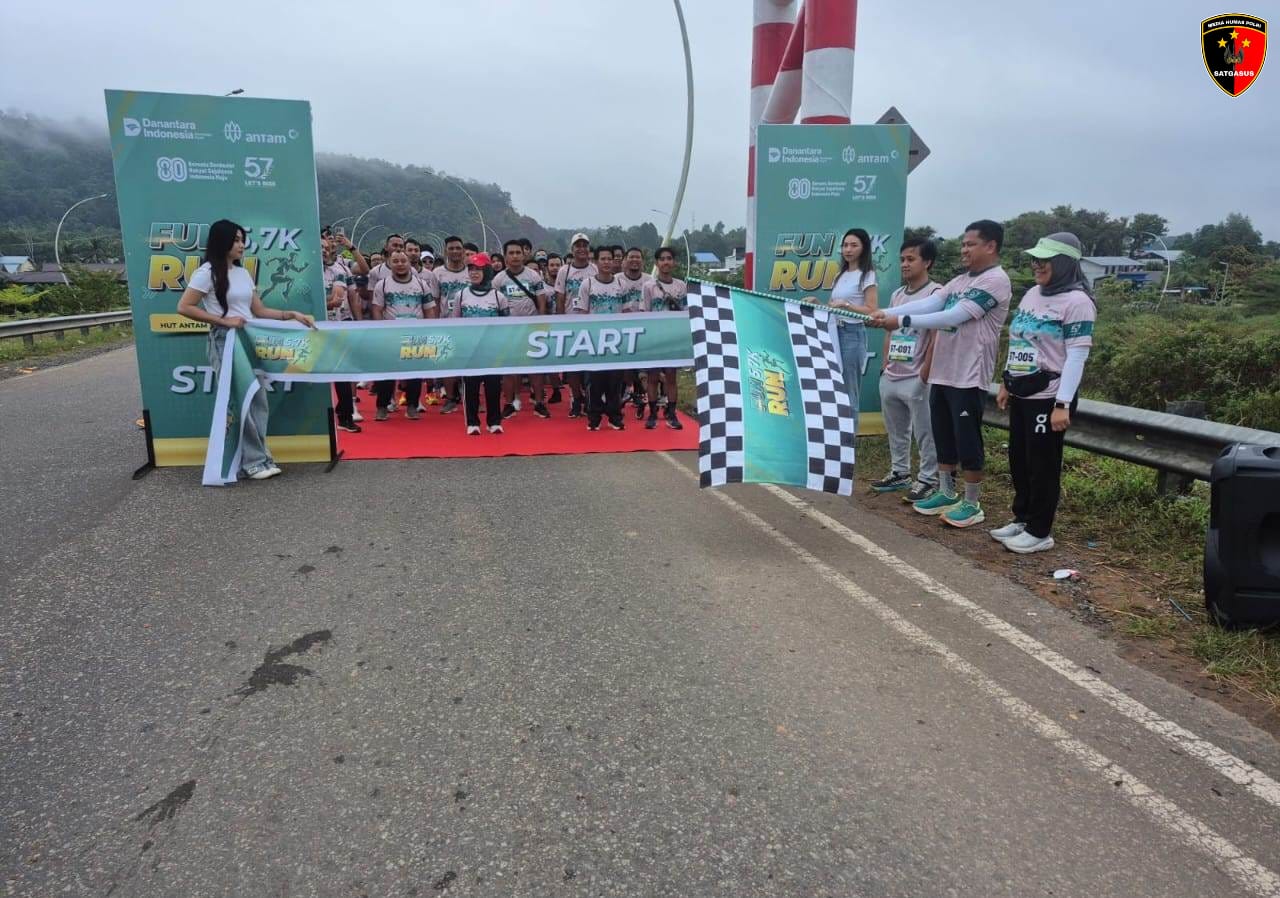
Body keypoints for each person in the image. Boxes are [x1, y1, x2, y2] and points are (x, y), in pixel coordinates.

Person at [871, 219, 1012, 528]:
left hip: (969, 375)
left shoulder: (996, 281)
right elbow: (930, 304)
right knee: (944, 438)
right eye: (963, 244)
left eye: (970, 244)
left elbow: (953, 316)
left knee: (968, 442)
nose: (964, 249)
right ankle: (946, 492)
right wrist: (883, 314)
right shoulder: (959, 281)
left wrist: (901, 321)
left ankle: (972, 503)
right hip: (943, 373)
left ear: (991, 246)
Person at [176, 219, 315, 480]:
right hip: (224, 340)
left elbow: (259, 310)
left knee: (258, 399)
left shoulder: (242, 273)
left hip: (249, 340)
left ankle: (259, 458)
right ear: (222, 242)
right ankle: (253, 462)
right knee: (241, 401)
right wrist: (224, 321)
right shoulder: (207, 272)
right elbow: (184, 307)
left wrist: (292, 315)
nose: (242, 245)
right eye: (236, 240)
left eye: (242, 240)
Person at [991, 232, 1095, 554]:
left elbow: (1077, 356)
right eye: (1035, 259)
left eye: (1044, 260)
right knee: (1019, 459)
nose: (1036, 265)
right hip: (1023, 392)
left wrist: (1062, 403)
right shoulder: (1032, 294)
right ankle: (1022, 518)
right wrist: (1007, 381)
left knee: (1042, 465)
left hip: (1050, 396)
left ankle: (1040, 530)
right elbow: (1018, 341)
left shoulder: (1078, 302)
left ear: (1063, 263)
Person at [874, 237, 941, 501]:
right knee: (896, 429)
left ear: (928, 262)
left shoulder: (936, 294)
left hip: (917, 376)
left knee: (925, 432)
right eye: (902, 259)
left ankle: (928, 479)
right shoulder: (898, 295)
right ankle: (900, 472)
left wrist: (925, 372)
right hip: (892, 373)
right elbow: (889, 331)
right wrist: (884, 366)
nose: (904, 264)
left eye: (911, 259)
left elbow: (937, 335)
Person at [370, 249, 439, 421]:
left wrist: (429, 332)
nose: (400, 264)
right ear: (389, 263)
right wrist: (380, 331)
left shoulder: (421, 284)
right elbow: (377, 309)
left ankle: (412, 405)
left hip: (415, 336)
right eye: (396, 261)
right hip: (390, 336)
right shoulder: (382, 285)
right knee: (387, 373)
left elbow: (429, 309)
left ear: (410, 263)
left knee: (414, 373)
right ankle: (382, 406)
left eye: (403, 261)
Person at [822, 228, 879, 436]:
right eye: (845, 245)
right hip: (833, 332)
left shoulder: (867, 275)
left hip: (852, 334)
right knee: (833, 387)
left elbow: (872, 311)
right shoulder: (840, 275)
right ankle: (834, 438)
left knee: (849, 391)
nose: (848, 249)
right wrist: (817, 303)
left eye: (854, 245)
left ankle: (848, 443)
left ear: (864, 248)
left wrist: (847, 306)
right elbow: (832, 306)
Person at [492, 239, 551, 419]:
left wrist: (540, 324)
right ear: (505, 256)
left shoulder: (533, 276)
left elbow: (541, 301)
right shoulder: (498, 279)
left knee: (535, 369)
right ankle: (509, 404)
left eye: (518, 252)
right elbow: (494, 304)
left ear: (524, 255)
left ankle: (539, 403)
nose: (515, 256)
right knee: (509, 370)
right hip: (508, 330)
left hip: (531, 329)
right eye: (511, 253)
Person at [571, 245, 627, 431]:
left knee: (615, 381)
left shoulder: (621, 284)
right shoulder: (587, 284)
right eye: (603, 259)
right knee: (594, 381)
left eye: (609, 259)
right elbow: (582, 312)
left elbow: (627, 311)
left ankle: (614, 417)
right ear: (596, 261)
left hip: (616, 341)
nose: (606, 262)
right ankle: (594, 417)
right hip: (594, 341)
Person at [453, 252, 509, 434]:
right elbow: (456, 322)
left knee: (493, 386)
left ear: (487, 271)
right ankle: (472, 422)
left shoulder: (498, 297)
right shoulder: (461, 295)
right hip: (470, 350)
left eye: (478, 269)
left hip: (491, 350)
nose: (474, 273)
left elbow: (505, 324)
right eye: (471, 269)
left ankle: (494, 421)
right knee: (471, 387)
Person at [640, 245, 687, 430]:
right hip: (655, 338)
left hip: (673, 338)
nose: (666, 262)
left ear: (674, 262)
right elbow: (644, 312)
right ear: (656, 263)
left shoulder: (681, 286)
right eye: (662, 259)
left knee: (671, 377)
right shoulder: (648, 286)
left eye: (669, 258)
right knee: (652, 377)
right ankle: (652, 413)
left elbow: (686, 311)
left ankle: (672, 414)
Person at [554, 233, 597, 417]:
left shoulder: (595, 269)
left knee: (589, 364)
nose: (581, 249)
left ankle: (590, 398)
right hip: (571, 323)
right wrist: (560, 322)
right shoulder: (565, 271)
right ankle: (576, 398)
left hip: (590, 324)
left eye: (584, 245)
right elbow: (560, 297)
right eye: (578, 246)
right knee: (572, 365)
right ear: (572, 249)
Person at [322, 235, 361, 433]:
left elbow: (337, 300)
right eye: (319, 247)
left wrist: (322, 301)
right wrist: (326, 301)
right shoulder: (302, 272)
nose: (323, 250)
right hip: (308, 330)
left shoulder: (338, 271)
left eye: (326, 248)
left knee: (342, 373)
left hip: (335, 328)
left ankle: (345, 416)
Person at [434, 236, 471, 414]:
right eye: (451, 248)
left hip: (469, 325)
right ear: (445, 251)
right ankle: (450, 399)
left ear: (463, 251)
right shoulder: (437, 273)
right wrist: (434, 324)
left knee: (470, 363)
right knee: (448, 362)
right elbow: (434, 300)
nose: (455, 251)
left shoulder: (472, 271)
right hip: (446, 324)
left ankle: (471, 399)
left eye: (458, 248)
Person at [617, 247, 653, 415]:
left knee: (643, 367)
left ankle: (643, 395)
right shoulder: (616, 279)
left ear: (643, 261)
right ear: (624, 260)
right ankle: (626, 390)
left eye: (638, 257)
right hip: (621, 329)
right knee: (625, 365)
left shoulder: (650, 280)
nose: (634, 260)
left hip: (644, 328)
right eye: (631, 257)